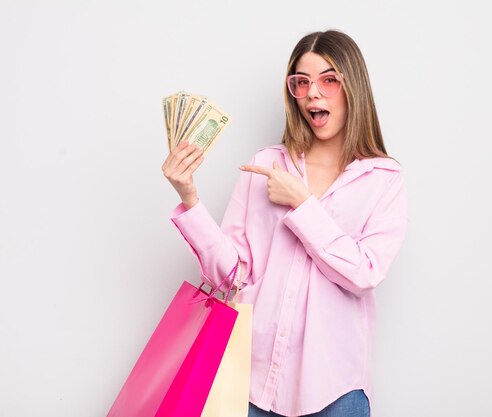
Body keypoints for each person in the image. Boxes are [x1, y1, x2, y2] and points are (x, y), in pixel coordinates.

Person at [162, 29, 408, 417]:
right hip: (251, 380)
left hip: (336, 388)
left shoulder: (382, 178)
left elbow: (364, 273)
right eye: (302, 82)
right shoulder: (265, 165)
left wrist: (302, 203)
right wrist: (189, 198)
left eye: (329, 80)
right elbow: (232, 277)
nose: (314, 93)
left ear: (353, 89)